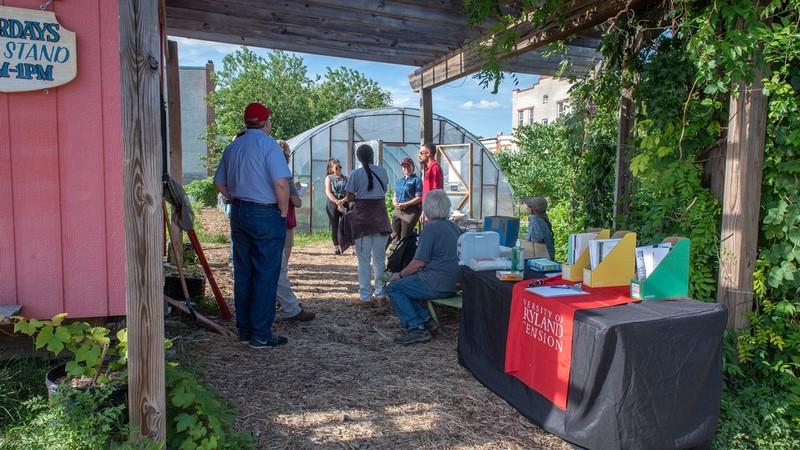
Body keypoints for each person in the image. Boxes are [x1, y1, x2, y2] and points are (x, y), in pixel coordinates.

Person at [213, 102, 291, 349]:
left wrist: (235, 198)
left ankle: (245, 329)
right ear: (266, 122)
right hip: (264, 212)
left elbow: (218, 183)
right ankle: (261, 333)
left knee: (244, 272)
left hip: (239, 211)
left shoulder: (233, 147)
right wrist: (283, 209)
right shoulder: (269, 146)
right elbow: (281, 183)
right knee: (266, 273)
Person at [386, 190, 461, 345]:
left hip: (435, 283)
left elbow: (419, 262)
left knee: (394, 287)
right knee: (405, 285)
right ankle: (426, 320)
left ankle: (416, 327)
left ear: (427, 209)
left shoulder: (431, 228)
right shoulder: (454, 227)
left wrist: (399, 274)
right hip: (454, 283)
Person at [336, 144, 391, 307]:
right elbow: (383, 190)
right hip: (380, 218)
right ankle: (381, 295)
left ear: (359, 158)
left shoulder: (355, 174)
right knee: (380, 261)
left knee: (364, 261)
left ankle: (365, 297)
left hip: (362, 220)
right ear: (372, 155)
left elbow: (351, 197)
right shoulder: (382, 171)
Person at [274, 140, 315, 322]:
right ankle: (289, 307)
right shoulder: (284, 174)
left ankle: (277, 302)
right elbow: (296, 202)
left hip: (262, 220)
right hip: (281, 220)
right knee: (280, 265)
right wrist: (296, 194)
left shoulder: (261, 170)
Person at [390, 157, 422, 246]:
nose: (406, 168)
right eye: (404, 166)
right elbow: (395, 195)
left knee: (405, 235)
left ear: (413, 167)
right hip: (398, 209)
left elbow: (419, 198)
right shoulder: (399, 181)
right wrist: (394, 201)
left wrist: (405, 204)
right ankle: (394, 256)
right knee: (394, 234)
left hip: (411, 211)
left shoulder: (416, 180)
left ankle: (405, 257)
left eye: (408, 166)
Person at [324, 159, 348, 255]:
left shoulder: (346, 178)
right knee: (335, 225)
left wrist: (343, 201)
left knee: (347, 224)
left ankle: (350, 246)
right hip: (332, 203)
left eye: (340, 167)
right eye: (336, 168)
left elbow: (350, 192)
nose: (339, 169)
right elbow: (328, 192)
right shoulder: (329, 178)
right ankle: (337, 247)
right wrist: (337, 202)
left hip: (344, 201)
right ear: (331, 169)